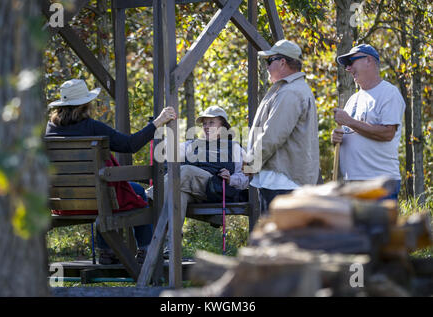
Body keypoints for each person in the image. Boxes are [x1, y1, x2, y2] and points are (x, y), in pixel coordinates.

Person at [45, 79, 176, 264]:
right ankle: (146, 250)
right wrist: (157, 123)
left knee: (109, 193)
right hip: (96, 200)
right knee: (136, 192)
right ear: (85, 105)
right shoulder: (93, 127)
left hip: (63, 202)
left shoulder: (49, 131)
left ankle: (107, 251)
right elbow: (129, 145)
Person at [146, 106, 249, 253]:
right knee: (178, 195)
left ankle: (148, 198)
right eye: (204, 124)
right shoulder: (191, 145)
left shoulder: (235, 148)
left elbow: (245, 178)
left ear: (223, 125)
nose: (206, 127)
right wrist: (160, 128)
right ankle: (171, 246)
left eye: (211, 123)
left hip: (215, 190)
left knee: (185, 171)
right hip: (192, 190)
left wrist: (230, 179)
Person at [245, 39, 320, 212]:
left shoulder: (290, 92)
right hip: (283, 181)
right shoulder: (290, 89)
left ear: (282, 62)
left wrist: (250, 162)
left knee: (278, 238)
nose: (267, 67)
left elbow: (273, 135)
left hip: (282, 183)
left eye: (269, 61)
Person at [332, 44, 405, 200]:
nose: (348, 68)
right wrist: (338, 137)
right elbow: (352, 133)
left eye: (351, 62)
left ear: (369, 60)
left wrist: (350, 122)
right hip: (352, 183)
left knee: (379, 226)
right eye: (346, 65)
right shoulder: (353, 99)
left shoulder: (389, 93)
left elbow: (387, 133)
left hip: (379, 183)